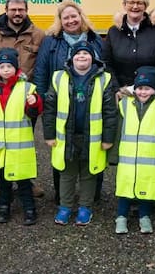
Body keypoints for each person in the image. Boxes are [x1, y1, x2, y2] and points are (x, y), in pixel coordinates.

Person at [34, 0, 104, 203]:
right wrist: (43, 99)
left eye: (74, 16)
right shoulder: (51, 41)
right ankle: (62, 195)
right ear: (60, 21)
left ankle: (92, 195)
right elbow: (41, 71)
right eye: (66, 18)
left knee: (93, 147)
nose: (71, 20)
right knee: (62, 150)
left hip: (91, 105)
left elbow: (105, 69)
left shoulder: (95, 39)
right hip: (61, 105)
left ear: (81, 16)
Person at [43, 40, 117, 226]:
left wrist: (108, 138)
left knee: (88, 173)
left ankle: (85, 207)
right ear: (72, 58)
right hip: (65, 136)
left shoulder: (104, 78)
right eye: (78, 54)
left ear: (92, 58)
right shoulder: (59, 77)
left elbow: (110, 111)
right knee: (66, 173)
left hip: (92, 137)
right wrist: (49, 134)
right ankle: (65, 206)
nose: (82, 57)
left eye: (86, 54)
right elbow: (50, 107)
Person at [0, 0, 47, 199]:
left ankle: (25, 182)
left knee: (24, 141)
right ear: (6, 10)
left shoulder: (38, 35)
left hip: (26, 98)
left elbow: (41, 66)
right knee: (2, 140)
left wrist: (36, 94)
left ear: (26, 10)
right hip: (1, 99)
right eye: (13, 9)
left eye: (21, 9)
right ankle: (3, 184)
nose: (17, 13)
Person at [0, 48, 43, 225]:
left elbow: (34, 112)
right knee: (3, 180)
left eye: (9, 66)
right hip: (0, 144)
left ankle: (29, 208)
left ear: (16, 68)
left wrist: (34, 103)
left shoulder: (27, 87)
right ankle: (3, 208)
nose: (6, 70)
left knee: (23, 179)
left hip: (19, 145)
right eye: (2, 66)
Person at [113, 65, 155, 235]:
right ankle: (121, 217)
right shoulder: (125, 104)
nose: (143, 92)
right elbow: (118, 130)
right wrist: (113, 156)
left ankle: (145, 216)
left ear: (154, 90)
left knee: (146, 189)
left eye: (147, 89)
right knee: (124, 188)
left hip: (151, 160)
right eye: (140, 88)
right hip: (127, 159)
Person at [104, 0, 155, 96]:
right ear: (124, 5)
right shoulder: (114, 32)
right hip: (122, 95)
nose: (135, 6)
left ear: (145, 6)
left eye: (140, 3)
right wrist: (116, 90)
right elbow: (107, 64)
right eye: (131, 2)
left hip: (153, 95)